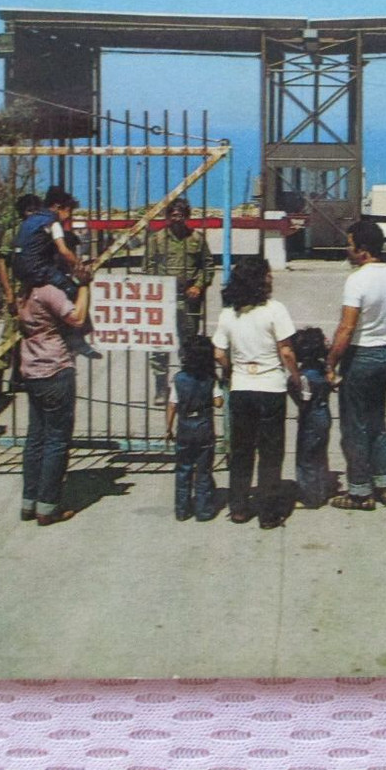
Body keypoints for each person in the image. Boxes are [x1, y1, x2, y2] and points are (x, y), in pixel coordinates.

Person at [325, 219, 386, 511]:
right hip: (384, 355)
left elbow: (346, 329)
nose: (347, 251)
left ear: (362, 250)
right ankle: (385, 483)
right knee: (377, 422)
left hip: (358, 357)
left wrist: (331, 362)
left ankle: (360, 491)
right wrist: (385, 349)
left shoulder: (357, 280)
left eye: (350, 245)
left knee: (354, 427)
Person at [212, 257, 300, 529]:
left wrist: (230, 372)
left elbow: (218, 353)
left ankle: (238, 507)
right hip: (271, 387)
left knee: (241, 451)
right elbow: (286, 351)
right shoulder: (275, 310)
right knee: (271, 453)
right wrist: (295, 377)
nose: (271, 278)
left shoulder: (228, 314)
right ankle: (268, 512)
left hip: (241, 387)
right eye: (267, 275)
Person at [17, 260, 92, 527]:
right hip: (54, 370)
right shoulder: (49, 291)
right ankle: (47, 507)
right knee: (57, 440)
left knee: (36, 437)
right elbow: (78, 318)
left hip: (32, 369)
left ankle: (29, 501)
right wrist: (84, 286)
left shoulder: (24, 291)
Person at [14, 186, 98, 360]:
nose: (68, 216)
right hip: (38, 269)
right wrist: (80, 266)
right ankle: (78, 339)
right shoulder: (52, 222)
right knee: (73, 290)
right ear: (58, 207)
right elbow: (64, 251)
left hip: (21, 270)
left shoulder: (31, 220)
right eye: (69, 211)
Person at [144, 197, 214, 403]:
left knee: (188, 345)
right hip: (163, 301)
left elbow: (207, 266)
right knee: (159, 345)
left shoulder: (197, 239)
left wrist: (198, 285)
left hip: (189, 301)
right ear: (167, 217)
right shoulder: (156, 240)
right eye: (173, 215)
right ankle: (160, 387)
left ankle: (187, 385)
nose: (177, 219)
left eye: (181, 215)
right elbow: (147, 268)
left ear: (187, 217)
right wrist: (158, 286)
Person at [165, 333, 222, 522]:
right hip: (204, 426)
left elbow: (172, 405)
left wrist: (168, 428)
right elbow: (219, 402)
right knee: (204, 470)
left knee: (183, 469)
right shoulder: (210, 379)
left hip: (184, 426)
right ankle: (203, 510)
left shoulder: (179, 379)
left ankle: (182, 510)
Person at [0, 192, 42, 397]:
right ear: (21, 212)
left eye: (35, 210)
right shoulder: (13, 234)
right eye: (28, 210)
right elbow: (1, 262)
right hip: (17, 293)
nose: (31, 214)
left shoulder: (41, 235)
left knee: (32, 338)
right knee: (8, 339)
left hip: (36, 295)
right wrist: (8, 292)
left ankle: (18, 379)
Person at [290, 326, 333, 510]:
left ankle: (310, 496)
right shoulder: (322, 370)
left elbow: (303, 399)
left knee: (306, 457)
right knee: (320, 455)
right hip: (324, 414)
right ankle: (321, 490)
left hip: (311, 418)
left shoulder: (304, 377)